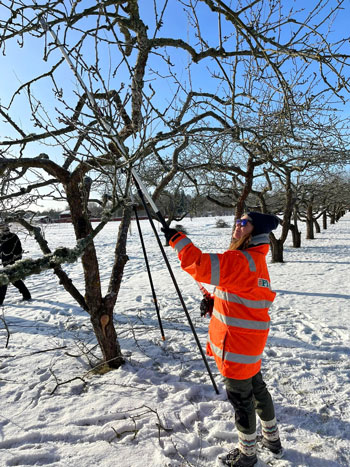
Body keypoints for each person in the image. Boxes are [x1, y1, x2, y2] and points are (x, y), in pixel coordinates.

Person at [162, 212, 283, 467]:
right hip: (250, 343)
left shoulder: (241, 260)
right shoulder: (255, 260)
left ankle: (247, 454)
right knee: (258, 389)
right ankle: (271, 439)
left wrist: (178, 240)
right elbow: (243, 297)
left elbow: (199, 264)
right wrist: (217, 301)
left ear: (255, 231)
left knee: (242, 400)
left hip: (237, 347)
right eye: (237, 222)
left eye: (244, 223)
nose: (237, 226)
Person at [0, 223, 31, 306]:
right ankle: (27, 295)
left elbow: (19, 249)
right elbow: (1, 250)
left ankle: (0, 300)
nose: (3, 230)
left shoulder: (13, 237)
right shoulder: (1, 238)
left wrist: (16, 260)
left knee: (4, 280)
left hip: (13, 262)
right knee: (15, 280)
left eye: (4, 228)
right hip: (5, 262)